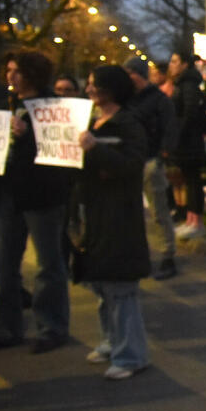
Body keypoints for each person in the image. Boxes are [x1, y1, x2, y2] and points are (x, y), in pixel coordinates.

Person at [0, 50, 75, 353]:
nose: (11, 76)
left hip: (42, 195)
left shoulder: (50, 106)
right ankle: (9, 326)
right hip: (10, 194)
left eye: (17, 71)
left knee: (48, 264)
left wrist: (28, 135)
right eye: (8, 70)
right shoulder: (7, 103)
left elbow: (59, 149)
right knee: (5, 265)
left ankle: (51, 327)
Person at [76, 65, 151, 380]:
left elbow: (131, 165)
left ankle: (131, 355)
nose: (89, 89)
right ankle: (112, 340)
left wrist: (96, 150)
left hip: (119, 214)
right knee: (102, 283)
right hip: (94, 212)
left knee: (120, 286)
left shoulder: (128, 124)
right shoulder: (92, 122)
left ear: (111, 87)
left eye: (95, 84)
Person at [124, 56, 179, 279]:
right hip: (130, 160)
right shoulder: (126, 99)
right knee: (131, 211)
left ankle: (167, 254)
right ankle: (138, 255)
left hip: (150, 160)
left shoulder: (159, 100)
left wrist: (163, 155)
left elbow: (170, 128)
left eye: (131, 73)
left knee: (159, 211)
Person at [167, 50, 206, 239]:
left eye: (175, 61)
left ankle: (196, 222)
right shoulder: (184, 84)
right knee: (189, 180)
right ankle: (191, 219)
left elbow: (189, 114)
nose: (171, 65)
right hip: (187, 141)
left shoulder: (188, 85)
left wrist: (178, 135)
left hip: (189, 142)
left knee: (193, 181)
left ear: (185, 64)